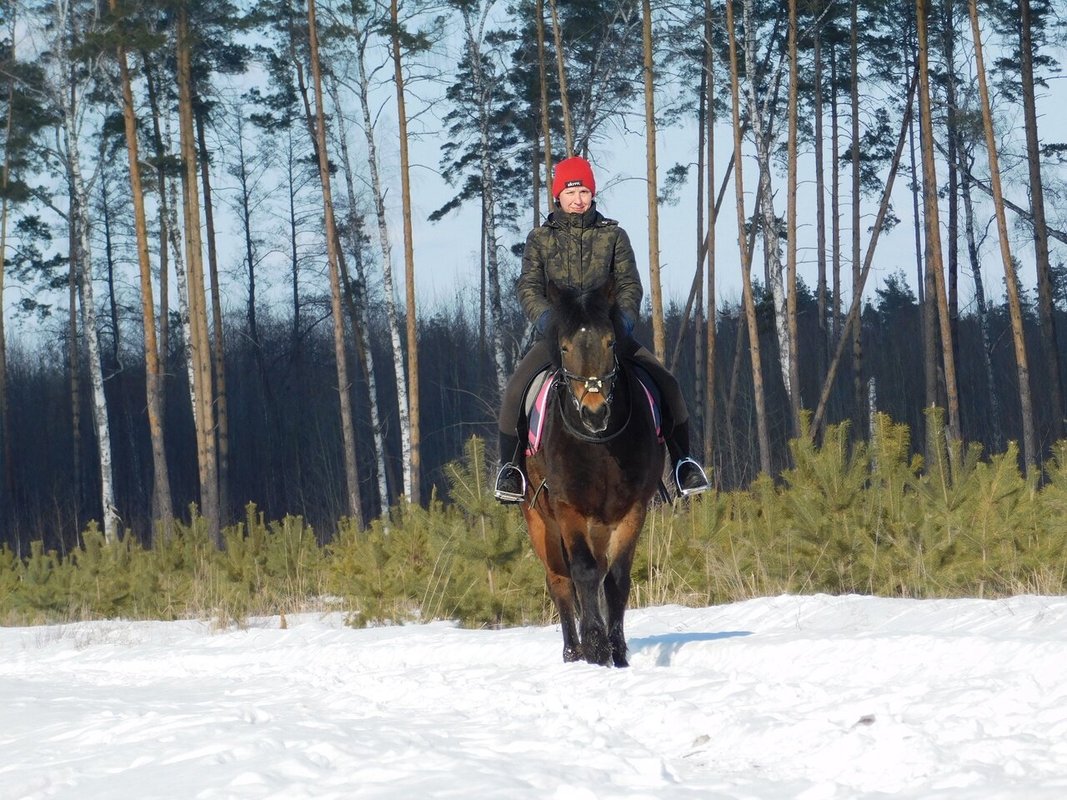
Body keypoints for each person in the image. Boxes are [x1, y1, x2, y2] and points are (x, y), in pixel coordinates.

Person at [494, 155, 710, 503]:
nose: (578, 198)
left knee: (667, 383)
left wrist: (621, 324)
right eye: (570, 191)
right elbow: (529, 287)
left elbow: (630, 285)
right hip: (560, 339)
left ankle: (684, 463)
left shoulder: (613, 236)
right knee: (517, 390)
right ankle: (510, 471)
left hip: (609, 336)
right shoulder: (539, 240)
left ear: (592, 194)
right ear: (557, 197)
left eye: (583, 191)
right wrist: (550, 324)